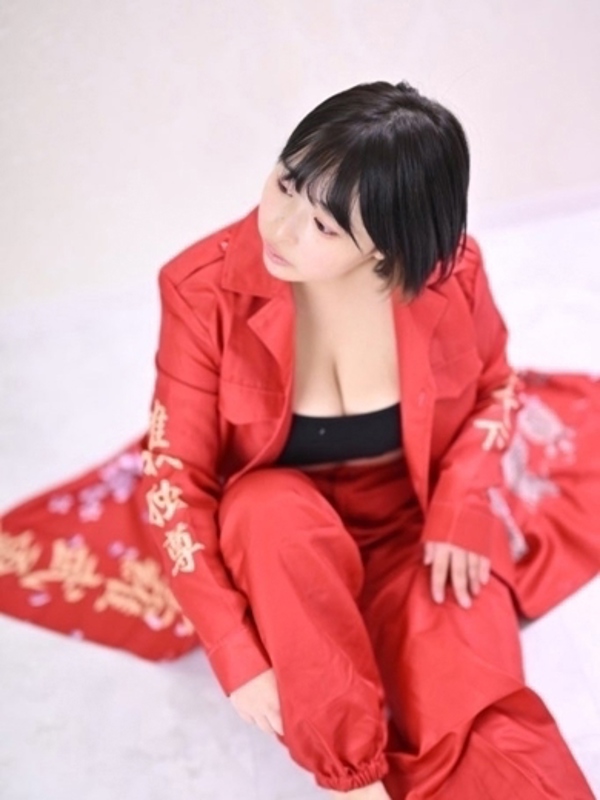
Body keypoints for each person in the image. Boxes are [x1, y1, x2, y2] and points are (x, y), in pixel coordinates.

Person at [1, 80, 599, 799]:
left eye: (323, 225)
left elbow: (496, 387)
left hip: (413, 515)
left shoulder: (451, 272)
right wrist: (237, 654)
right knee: (267, 513)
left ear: (386, 245)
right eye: (286, 183)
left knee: (476, 705)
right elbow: (176, 477)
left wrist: (462, 504)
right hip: (278, 529)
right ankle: (353, 784)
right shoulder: (201, 288)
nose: (280, 228)